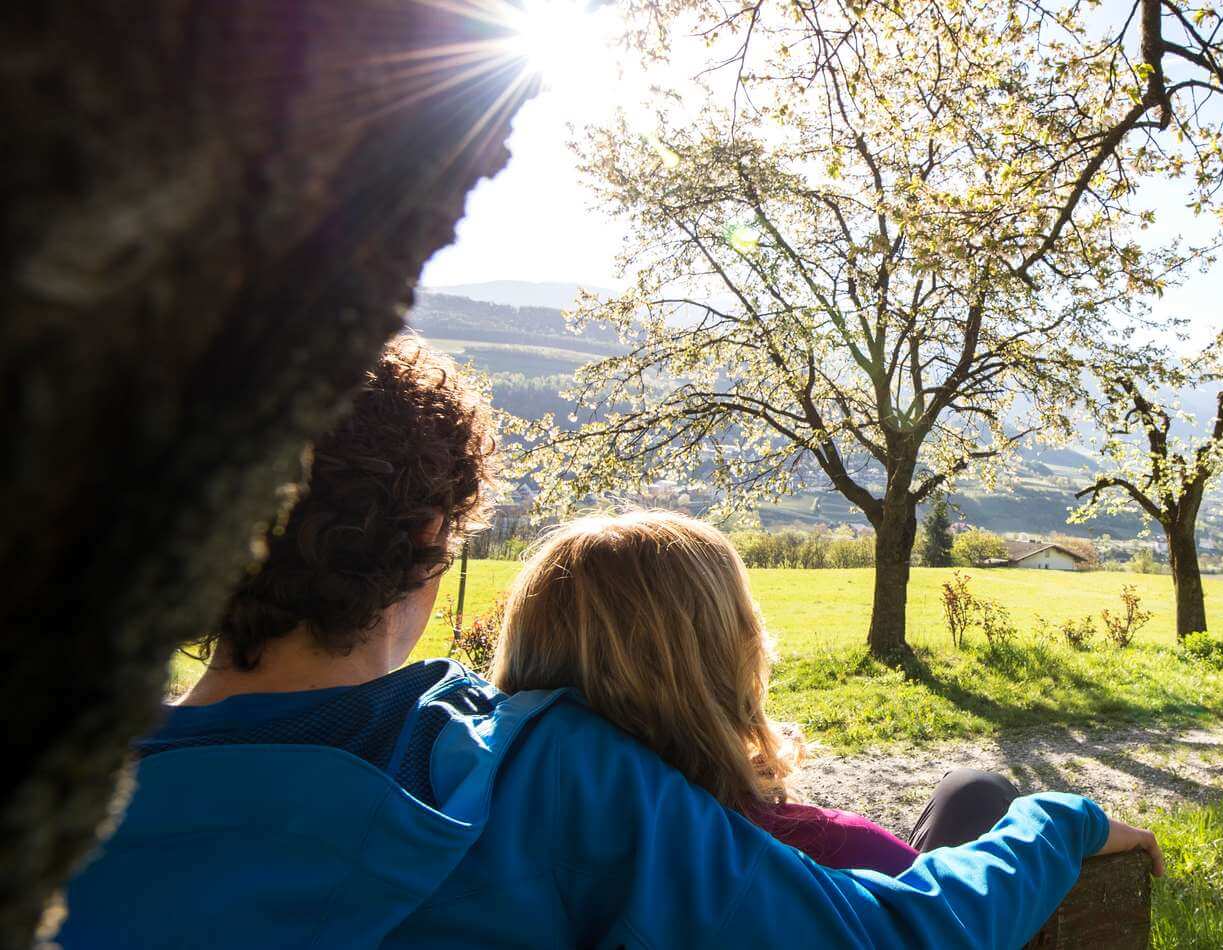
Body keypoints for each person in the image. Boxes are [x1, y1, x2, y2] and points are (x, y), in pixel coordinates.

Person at [55, 337, 1161, 949]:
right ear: (436, 539)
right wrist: (1055, 816)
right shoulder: (542, 774)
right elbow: (895, 938)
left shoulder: (56, 819)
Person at [493, 511, 1077, 874]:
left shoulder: (486, 840)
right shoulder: (822, 852)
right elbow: (947, 912)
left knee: (970, 787)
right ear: (729, 657)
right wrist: (1061, 828)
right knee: (977, 793)